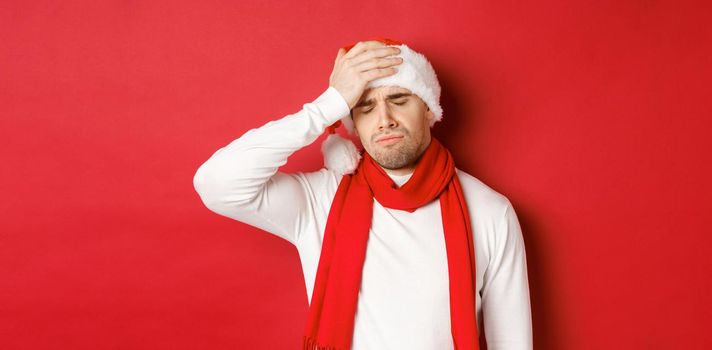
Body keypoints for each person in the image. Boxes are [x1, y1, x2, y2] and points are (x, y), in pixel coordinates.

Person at [193, 38, 533, 350]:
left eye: (398, 100)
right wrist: (327, 106)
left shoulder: (490, 211)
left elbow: (512, 342)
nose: (384, 120)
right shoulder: (320, 199)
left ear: (429, 108)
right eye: (365, 108)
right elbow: (217, 183)